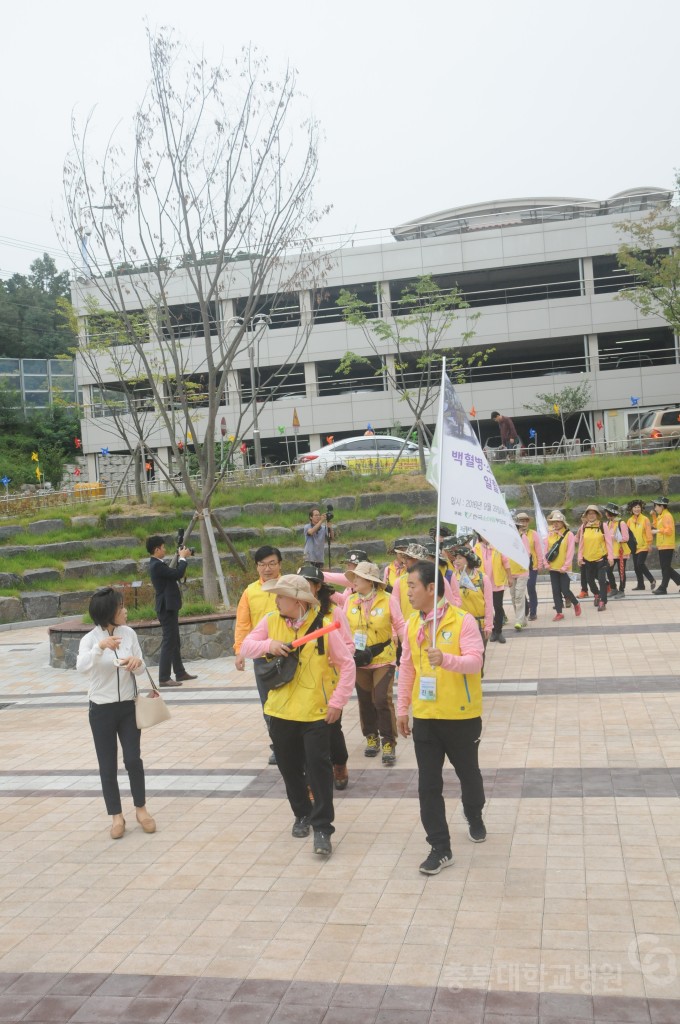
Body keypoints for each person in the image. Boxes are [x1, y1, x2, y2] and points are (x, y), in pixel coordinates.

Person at [240, 574, 356, 857]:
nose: (276, 600)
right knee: (289, 768)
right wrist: (269, 645)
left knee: (319, 771)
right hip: (279, 711)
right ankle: (301, 813)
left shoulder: (326, 627)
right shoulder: (271, 620)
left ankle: (322, 828)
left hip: (316, 712)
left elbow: (348, 665)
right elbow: (246, 646)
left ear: (297, 600)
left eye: (280, 596)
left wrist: (337, 702)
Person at [396, 561, 486, 875]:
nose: (407, 591)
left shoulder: (463, 621)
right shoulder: (411, 624)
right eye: (407, 586)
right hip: (426, 716)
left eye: (412, 586)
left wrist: (445, 659)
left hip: (461, 717)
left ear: (431, 588)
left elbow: (475, 662)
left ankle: (474, 813)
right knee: (428, 785)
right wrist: (402, 708)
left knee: (469, 776)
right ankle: (440, 846)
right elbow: (407, 667)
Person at [76, 587, 158, 840]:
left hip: (127, 707)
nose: (125, 611)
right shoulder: (90, 640)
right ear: (108, 613)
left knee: (133, 760)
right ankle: (116, 816)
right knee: (107, 765)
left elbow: (142, 665)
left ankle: (141, 810)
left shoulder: (129, 633)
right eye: (120, 607)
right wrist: (100, 647)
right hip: (101, 709)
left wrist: (136, 663)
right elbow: (81, 668)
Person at [296, 563, 352, 790]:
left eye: (307, 584)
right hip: (302, 683)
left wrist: (334, 657)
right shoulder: (294, 611)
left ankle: (339, 763)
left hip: (329, 683)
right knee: (306, 734)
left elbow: (348, 645)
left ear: (318, 586)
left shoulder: (334, 612)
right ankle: (312, 780)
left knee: (331, 730)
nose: (301, 590)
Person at [345, 560, 398, 765]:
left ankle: (388, 741)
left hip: (383, 656)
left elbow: (400, 624)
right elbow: (342, 629)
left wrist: (408, 652)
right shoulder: (349, 601)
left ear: (369, 581)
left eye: (357, 577)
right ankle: (371, 737)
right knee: (365, 701)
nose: (353, 580)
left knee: (381, 700)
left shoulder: (388, 600)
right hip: (359, 659)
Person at [233, 545, 282, 765]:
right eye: (262, 564)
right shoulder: (250, 592)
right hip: (262, 657)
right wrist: (239, 651)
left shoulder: (288, 586)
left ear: (280, 564)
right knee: (268, 703)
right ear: (257, 567)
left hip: (289, 652)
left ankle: (295, 742)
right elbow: (243, 624)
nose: (267, 569)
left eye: (272, 563)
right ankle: (278, 746)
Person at [146, 534, 197, 686]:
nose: (165, 549)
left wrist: (180, 556)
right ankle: (164, 678)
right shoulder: (156, 565)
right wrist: (182, 558)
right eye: (163, 547)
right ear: (157, 549)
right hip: (165, 608)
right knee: (169, 641)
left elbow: (172, 574)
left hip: (169, 606)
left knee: (175, 640)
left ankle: (180, 672)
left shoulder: (158, 564)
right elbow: (177, 574)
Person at [450, 545, 493, 642]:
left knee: (479, 656)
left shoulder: (483, 578)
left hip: (479, 626)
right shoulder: (453, 578)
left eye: (460, 558)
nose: (456, 561)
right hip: (461, 625)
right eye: (455, 558)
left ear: (468, 560)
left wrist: (488, 626)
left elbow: (489, 604)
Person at [474, 534, 512, 643]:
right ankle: (489, 630)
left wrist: (509, 577)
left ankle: (498, 631)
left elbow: (505, 562)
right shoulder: (475, 548)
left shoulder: (498, 547)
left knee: (498, 607)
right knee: (487, 608)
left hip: (497, 583)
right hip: (482, 584)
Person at [545, 511, 581, 621]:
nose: (555, 524)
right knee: (555, 590)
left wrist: (565, 567)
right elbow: (546, 550)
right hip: (553, 568)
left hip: (564, 569)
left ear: (563, 523)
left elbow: (570, 552)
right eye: (553, 522)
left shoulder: (569, 535)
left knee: (565, 590)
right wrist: (546, 563)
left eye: (558, 522)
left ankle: (576, 603)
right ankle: (559, 612)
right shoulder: (550, 534)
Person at [577, 505, 613, 611]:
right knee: (590, 580)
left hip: (601, 559)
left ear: (597, 515)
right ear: (586, 516)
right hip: (587, 559)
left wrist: (610, 557)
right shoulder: (583, 527)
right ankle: (596, 594)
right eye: (589, 514)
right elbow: (581, 544)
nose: (591, 515)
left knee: (602, 580)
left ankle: (603, 601)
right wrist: (580, 557)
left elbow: (608, 542)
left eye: (593, 513)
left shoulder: (603, 526)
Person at [514, 512, 546, 621]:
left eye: (525, 521)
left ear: (528, 522)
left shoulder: (533, 534)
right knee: (519, 590)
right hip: (518, 567)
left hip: (532, 566)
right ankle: (526, 607)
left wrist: (541, 563)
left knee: (531, 587)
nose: (523, 523)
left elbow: (538, 550)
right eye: (521, 521)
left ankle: (533, 612)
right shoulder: (514, 534)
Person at [651, 497, 680, 595]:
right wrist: (654, 517)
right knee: (665, 567)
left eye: (656, 506)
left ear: (662, 506)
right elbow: (656, 525)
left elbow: (669, 530)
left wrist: (658, 531)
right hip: (662, 545)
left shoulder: (667, 516)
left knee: (665, 568)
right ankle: (665, 587)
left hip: (667, 545)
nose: (655, 508)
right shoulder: (661, 515)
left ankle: (663, 587)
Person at [603, 503, 631, 599]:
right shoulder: (608, 523)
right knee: (608, 570)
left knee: (621, 571)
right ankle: (613, 588)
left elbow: (626, 538)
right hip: (611, 552)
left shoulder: (621, 523)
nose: (605, 513)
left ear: (609, 513)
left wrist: (612, 537)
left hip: (620, 552)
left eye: (606, 512)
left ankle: (621, 590)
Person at [507, 517, 531, 631]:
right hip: (510, 572)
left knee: (519, 596)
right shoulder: (505, 540)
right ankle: (522, 619)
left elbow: (528, 553)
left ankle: (518, 620)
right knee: (512, 596)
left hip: (522, 572)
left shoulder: (523, 537)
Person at [627, 500, 656, 591]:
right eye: (635, 507)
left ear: (641, 508)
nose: (637, 509)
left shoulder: (645, 519)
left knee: (640, 564)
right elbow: (627, 535)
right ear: (631, 509)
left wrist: (649, 544)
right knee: (636, 567)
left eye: (638, 507)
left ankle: (652, 580)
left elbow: (648, 532)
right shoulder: (629, 520)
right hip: (634, 547)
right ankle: (641, 585)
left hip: (643, 546)